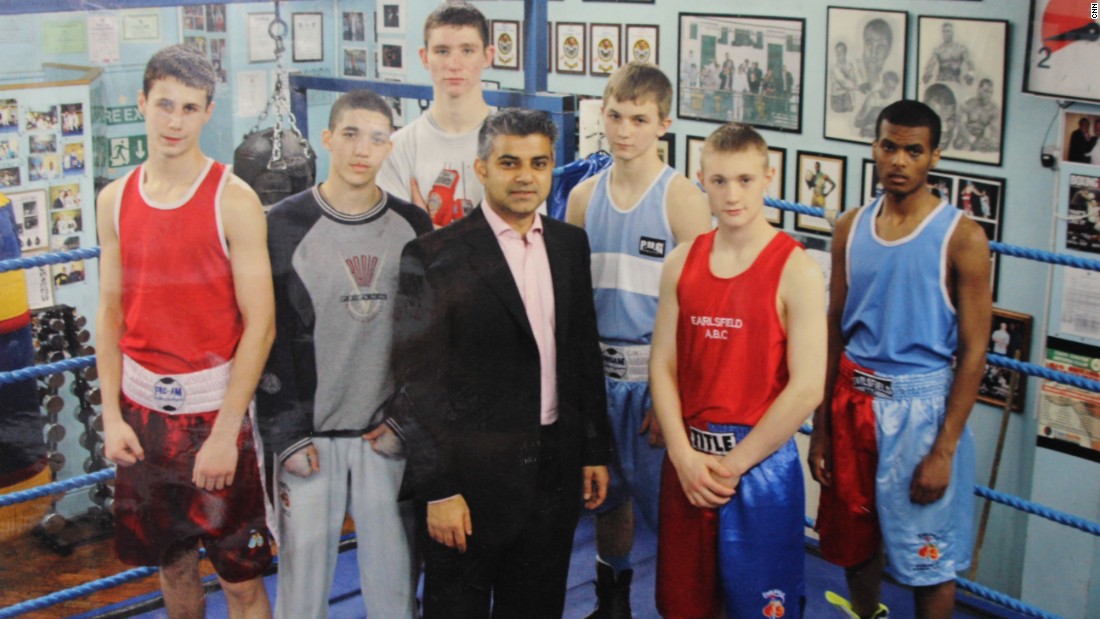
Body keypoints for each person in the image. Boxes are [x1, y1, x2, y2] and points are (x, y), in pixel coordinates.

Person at [393, 108, 612, 618]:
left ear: (552, 168)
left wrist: (593, 450)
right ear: (482, 168)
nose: (525, 176)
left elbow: (582, 353)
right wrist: (439, 489)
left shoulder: (569, 244)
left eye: (538, 163)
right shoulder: (431, 255)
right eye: (510, 162)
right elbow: (414, 386)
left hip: (553, 472)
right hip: (467, 483)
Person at [95, 44, 275, 618]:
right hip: (144, 412)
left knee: (240, 578)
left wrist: (225, 432)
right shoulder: (114, 199)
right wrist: (110, 413)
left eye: (190, 108)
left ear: (208, 112)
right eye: (165, 104)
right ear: (142, 102)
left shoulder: (235, 200)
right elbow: (110, 314)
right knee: (171, 566)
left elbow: (262, 323)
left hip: (214, 413)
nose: (175, 121)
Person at [809, 100, 992, 619]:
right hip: (852, 401)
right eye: (889, 146)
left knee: (928, 561)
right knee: (854, 543)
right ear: (875, 146)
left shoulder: (962, 237)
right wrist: (822, 425)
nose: (899, 160)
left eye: (914, 150)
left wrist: (945, 449)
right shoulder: (849, 227)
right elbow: (835, 326)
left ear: (934, 155)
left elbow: (975, 349)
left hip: (921, 411)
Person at [257, 90, 432, 619]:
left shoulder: (414, 225)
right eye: (351, 134)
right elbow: (268, 332)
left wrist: (404, 421)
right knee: (302, 595)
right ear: (327, 138)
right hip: (309, 437)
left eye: (378, 137)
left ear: (390, 147)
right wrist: (285, 435)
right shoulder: (282, 223)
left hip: (383, 436)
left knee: (393, 592)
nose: (363, 149)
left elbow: (427, 337)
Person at [649, 122, 826, 619]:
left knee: (761, 610)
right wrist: (683, 456)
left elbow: (807, 386)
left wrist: (734, 465)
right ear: (701, 178)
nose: (732, 194)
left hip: (760, 466)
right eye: (720, 180)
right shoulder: (682, 261)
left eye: (745, 180)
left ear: (769, 176)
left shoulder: (797, 269)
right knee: (684, 608)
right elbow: (662, 364)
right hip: (689, 460)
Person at [565, 62, 712, 619]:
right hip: (598, 379)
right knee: (607, 499)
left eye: (639, 119)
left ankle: (685, 607)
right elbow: (575, 306)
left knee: (673, 511)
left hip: (658, 382)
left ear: (664, 124)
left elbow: (701, 312)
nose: (625, 130)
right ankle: (613, 604)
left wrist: (672, 394)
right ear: (602, 114)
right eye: (616, 116)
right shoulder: (581, 198)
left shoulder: (682, 200)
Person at [377, 1, 493, 227]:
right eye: (442, 51)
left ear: (487, 56)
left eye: (467, 50)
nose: (453, 64)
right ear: (424, 57)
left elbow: (519, 242)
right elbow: (396, 244)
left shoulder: (513, 145)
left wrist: (426, 229)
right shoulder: (396, 149)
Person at [955, 79, 1000, 152]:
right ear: (979, 90)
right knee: (958, 144)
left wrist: (991, 140)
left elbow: (994, 130)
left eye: (991, 92)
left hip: (980, 140)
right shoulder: (969, 103)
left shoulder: (993, 110)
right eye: (986, 91)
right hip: (965, 137)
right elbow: (960, 123)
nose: (988, 95)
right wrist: (971, 139)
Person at [855, 71, 901, 139]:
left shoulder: (895, 102)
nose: (889, 91)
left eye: (892, 89)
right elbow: (858, 122)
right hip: (868, 135)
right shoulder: (873, 98)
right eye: (887, 87)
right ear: (883, 83)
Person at [857, 19, 894, 96]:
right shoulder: (851, 72)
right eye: (869, 44)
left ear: (888, 51)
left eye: (880, 47)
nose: (873, 52)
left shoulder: (890, 83)